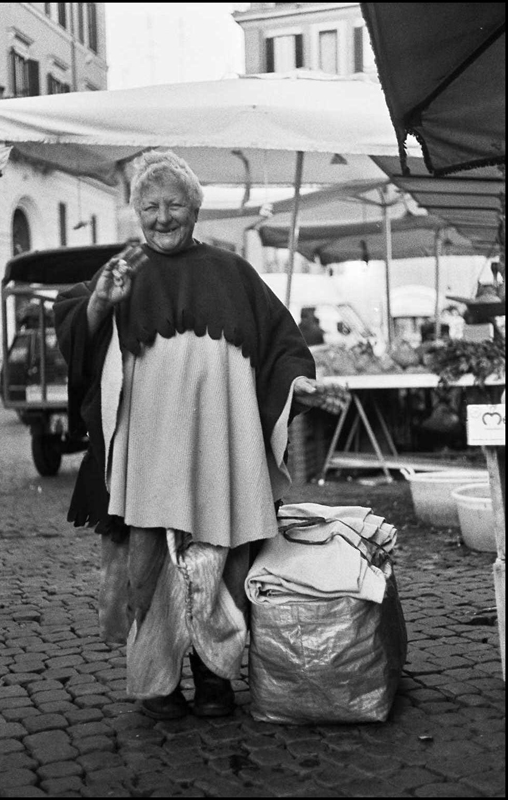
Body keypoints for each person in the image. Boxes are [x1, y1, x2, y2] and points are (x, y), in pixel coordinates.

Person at [53, 150, 349, 721]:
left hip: (223, 446)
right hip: (150, 454)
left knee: (225, 561)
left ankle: (215, 679)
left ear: (196, 209)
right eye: (151, 206)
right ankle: (158, 683)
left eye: (175, 206)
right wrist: (98, 303)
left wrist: (299, 388)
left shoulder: (232, 271)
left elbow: (281, 342)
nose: (162, 218)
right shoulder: (124, 269)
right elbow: (73, 329)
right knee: (150, 565)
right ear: (136, 211)